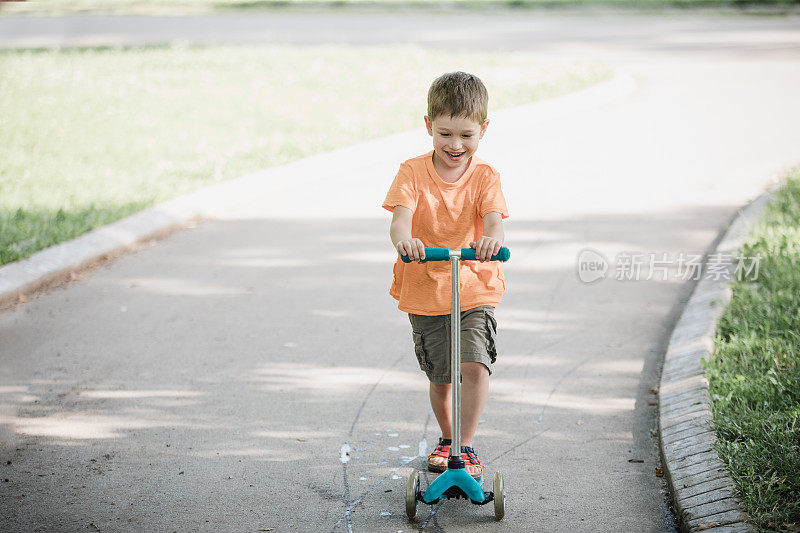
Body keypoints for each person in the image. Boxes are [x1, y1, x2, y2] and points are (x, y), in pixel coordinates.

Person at [381, 71, 509, 480]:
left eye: (467, 135)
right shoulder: (412, 172)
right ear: (429, 127)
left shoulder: (485, 177)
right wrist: (407, 242)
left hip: (474, 283)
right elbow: (400, 222)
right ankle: (448, 436)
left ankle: (465, 445)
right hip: (426, 285)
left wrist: (490, 239)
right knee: (441, 377)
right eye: (446, 134)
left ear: (483, 130)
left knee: (474, 363)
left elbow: (494, 223)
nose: (456, 145)